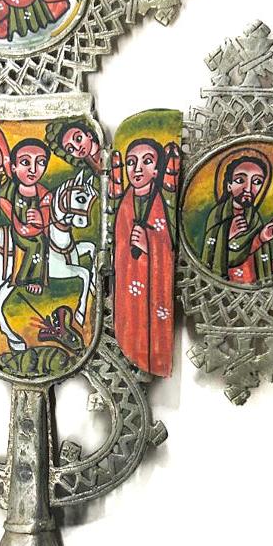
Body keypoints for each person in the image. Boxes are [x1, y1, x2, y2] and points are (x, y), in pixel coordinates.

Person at [111, 136, 180, 374]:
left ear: (158, 169)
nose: (138, 168)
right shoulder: (124, 205)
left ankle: (153, 363)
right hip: (129, 288)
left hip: (154, 290)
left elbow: (170, 247)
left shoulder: (163, 203)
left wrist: (150, 244)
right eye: (131, 162)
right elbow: (119, 248)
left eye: (147, 161)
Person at [0, 126, 54, 295]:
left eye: (40, 162)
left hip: (36, 229)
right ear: (14, 167)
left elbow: (48, 212)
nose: (33, 169)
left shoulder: (43, 193)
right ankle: (29, 279)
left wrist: (41, 218)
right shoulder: (12, 187)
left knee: (41, 238)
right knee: (37, 243)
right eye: (25, 162)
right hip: (20, 230)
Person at [199, 148, 273, 283]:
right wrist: (227, 233)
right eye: (240, 180)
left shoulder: (255, 219)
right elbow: (218, 257)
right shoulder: (217, 215)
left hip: (252, 283)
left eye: (257, 182)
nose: (248, 188)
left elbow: (250, 253)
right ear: (229, 185)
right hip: (225, 285)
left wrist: (263, 237)